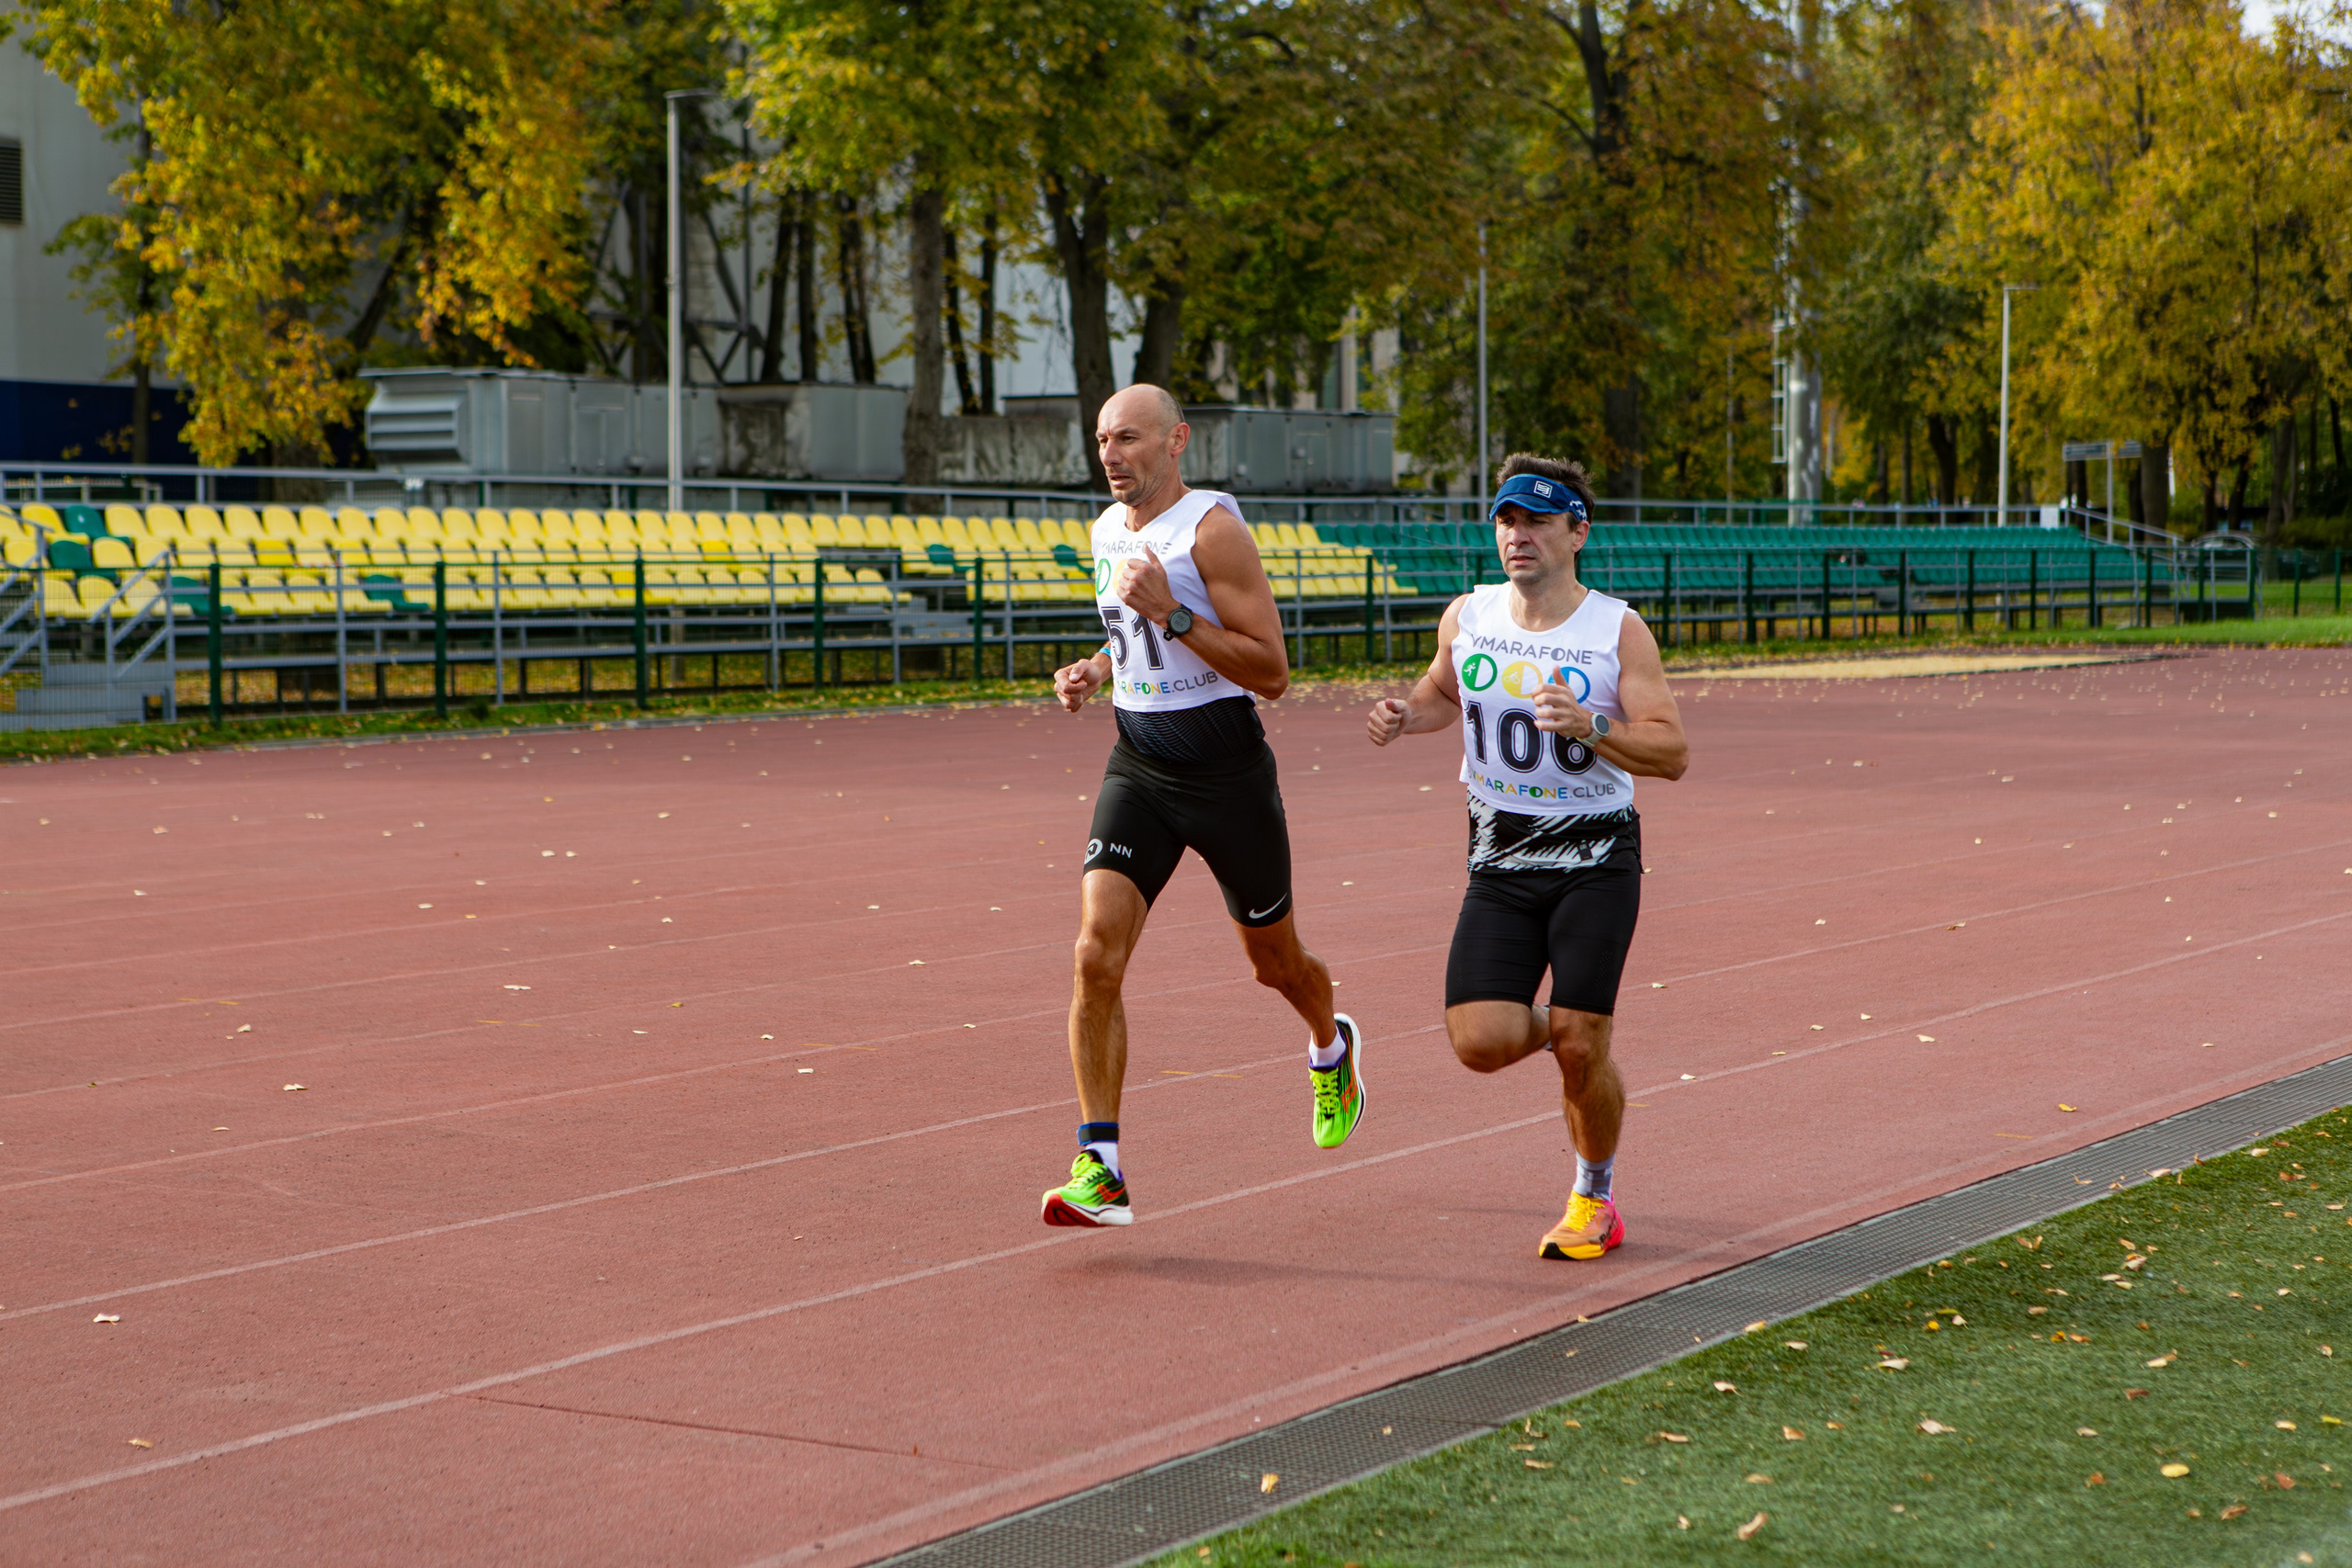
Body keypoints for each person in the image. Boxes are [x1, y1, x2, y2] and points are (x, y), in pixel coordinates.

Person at [1039, 384, 1364, 1226]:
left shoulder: (1215, 530)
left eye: (1131, 439)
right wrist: (1095, 670)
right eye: (1103, 439)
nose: (1111, 454)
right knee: (1093, 954)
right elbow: (1128, 631)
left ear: (1177, 440)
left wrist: (1177, 614)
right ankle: (1100, 1165)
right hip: (1139, 764)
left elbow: (1273, 672)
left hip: (1226, 773)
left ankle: (1332, 1044)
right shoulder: (1107, 531)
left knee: (1275, 964)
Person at [1365, 455, 1688, 1259]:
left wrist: (1592, 728)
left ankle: (1594, 1194)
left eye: (1539, 519)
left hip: (1595, 855)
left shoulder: (1615, 628)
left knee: (1582, 1044)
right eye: (1507, 518)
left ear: (1579, 531)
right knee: (1480, 1042)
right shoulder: (1469, 615)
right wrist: (1407, 714)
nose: (1519, 533)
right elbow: (1445, 691)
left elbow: (1673, 750)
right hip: (1500, 858)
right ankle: (1572, 1027)